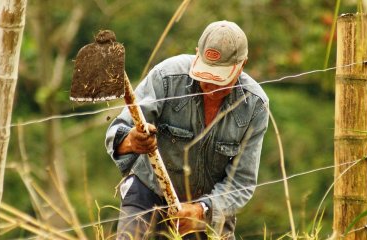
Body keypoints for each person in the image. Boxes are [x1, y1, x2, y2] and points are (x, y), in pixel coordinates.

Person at [105, 20, 269, 240]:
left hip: (207, 209)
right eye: (205, 75)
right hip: (148, 193)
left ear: (242, 65)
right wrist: (132, 142)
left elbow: (242, 182)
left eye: (220, 79)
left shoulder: (255, 106)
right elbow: (118, 132)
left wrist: (201, 211)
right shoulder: (167, 77)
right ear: (197, 55)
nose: (210, 86)